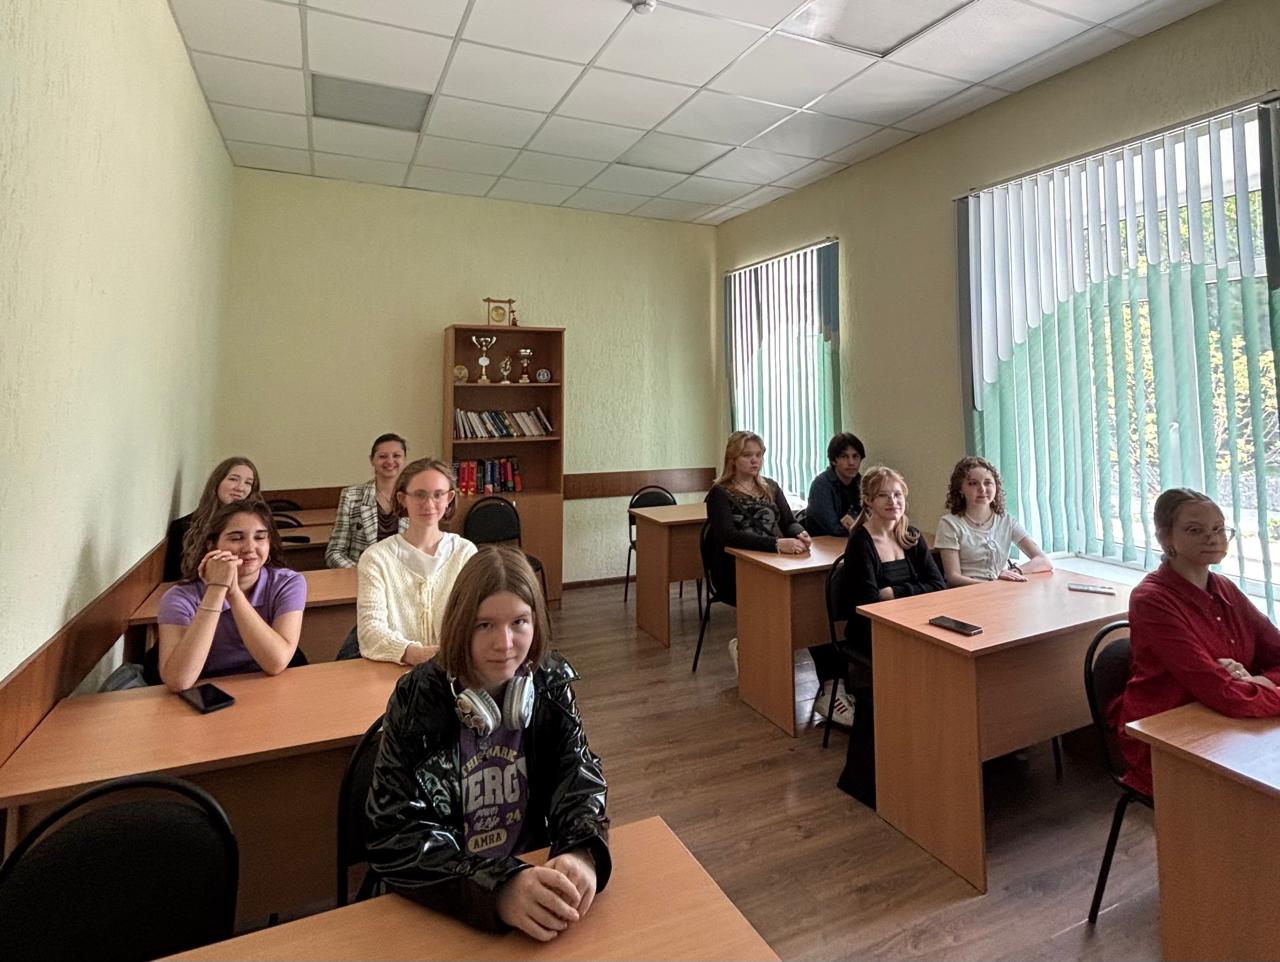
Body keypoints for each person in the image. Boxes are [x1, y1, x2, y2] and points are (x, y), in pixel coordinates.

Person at [365, 546, 610, 940]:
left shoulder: (548, 684)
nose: (505, 643)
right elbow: (395, 836)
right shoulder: (418, 699)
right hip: (449, 900)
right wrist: (499, 889)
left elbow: (577, 776)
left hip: (532, 878)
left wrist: (581, 850)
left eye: (519, 622)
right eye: (485, 625)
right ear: (461, 625)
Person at [1112, 489, 1280, 796]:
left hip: (1226, 722)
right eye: (1194, 530)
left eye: (1219, 529)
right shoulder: (1151, 599)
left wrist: (1260, 681)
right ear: (1165, 537)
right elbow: (1219, 691)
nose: (1212, 538)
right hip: (1166, 737)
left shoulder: (1225, 587)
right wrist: (1259, 688)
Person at [836, 466, 945, 805]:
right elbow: (869, 600)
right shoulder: (861, 542)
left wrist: (895, 592)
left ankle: (931, 759)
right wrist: (905, 593)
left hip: (914, 626)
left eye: (898, 495)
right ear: (868, 501)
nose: (892, 501)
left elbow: (937, 585)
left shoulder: (911, 536)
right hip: (871, 633)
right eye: (883, 495)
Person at [704, 432, 821, 691]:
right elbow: (727, 536)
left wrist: (799, 533)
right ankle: (750, 647)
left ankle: (784, 653)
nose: (754, 460)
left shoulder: (771, 487)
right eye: (747, 455)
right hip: (735, 567)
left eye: (758, 455)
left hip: (774, 561)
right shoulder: (719, 493)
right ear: (733, 459)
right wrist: (777, 544)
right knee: (778, 596)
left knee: (809, 595)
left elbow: (788, 521)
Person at [156, 499, 306, 691]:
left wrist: (234, 593)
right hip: (207, 690)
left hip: (268, 686)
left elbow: (276, 663)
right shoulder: (179, 598)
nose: (249, 548)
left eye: (260, 537)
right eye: (236, 538)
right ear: (211, 545)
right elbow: (179, 681)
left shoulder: (288, 583)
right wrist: (216, 589)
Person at [356, 457, 478, 665]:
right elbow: (370, 632)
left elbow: (477, 621)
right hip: (395, 671)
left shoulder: (465, 553)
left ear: (449, 498)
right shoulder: (376, 558)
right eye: (420, 495)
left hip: (455, 668)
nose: (429, 504)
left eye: (438, 495)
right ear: (402, 498)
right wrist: (413, 653)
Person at [935, 455, 1052, 586]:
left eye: (987, 482)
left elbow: (1044, 561)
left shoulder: (1007, 521)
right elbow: (953, 578)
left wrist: (1016, 571)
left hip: (1001, 590)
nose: (982, 489)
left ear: (996, 486)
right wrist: (993, 586)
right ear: (960, 489)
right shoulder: (949, 524)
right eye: (973, 483)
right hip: (968, 592)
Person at [162, 457, 260, 581]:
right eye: (233, 479)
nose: (240, 488)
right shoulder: (183, 526)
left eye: (248, 483)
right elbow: (173, 580)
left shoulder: (258, 527)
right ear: (217, 482)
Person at [327, 433, 411, 569]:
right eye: (382, 456)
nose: (390, 461)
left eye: (396, 456)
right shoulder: (351, 496)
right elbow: (334, 553)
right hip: (361, 574)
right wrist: (362, 572)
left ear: (405, 459)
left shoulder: (415, 497)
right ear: (372, 460)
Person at [805, 432, 866, 537]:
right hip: (824, 543)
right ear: (834, 460)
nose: (851, 462)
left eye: (855, 456)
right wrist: (859, 528)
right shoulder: (821, 486)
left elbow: (875, 521)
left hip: (852, 540)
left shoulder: (863, 483)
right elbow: (834, 529)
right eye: (844, 456)